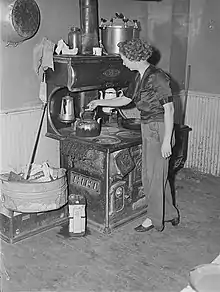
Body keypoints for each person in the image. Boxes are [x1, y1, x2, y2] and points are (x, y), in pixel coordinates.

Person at [87, 38, 179, 232]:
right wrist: (99, 102)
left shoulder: (157, 77)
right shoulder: (139, 76)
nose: (122, 62)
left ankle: (154, 219)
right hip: (148, 127)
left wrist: (166, 141)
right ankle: (170, 213)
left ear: (133, 57)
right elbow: (125, 99)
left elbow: (169, 110)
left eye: (123, 58)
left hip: (160, 127)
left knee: (152, 178)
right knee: (155, 175)